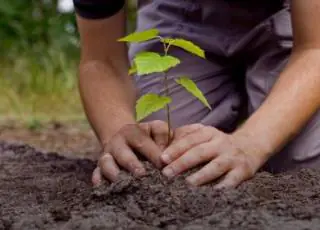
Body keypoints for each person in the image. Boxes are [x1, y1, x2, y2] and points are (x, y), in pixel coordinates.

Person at [73, 0, 320, 189]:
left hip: (294, 15)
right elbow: (101, 59)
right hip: (180, 11)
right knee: (161, 153)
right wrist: (118, 132)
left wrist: (251, 143)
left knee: (305, 163)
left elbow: (314, 49)